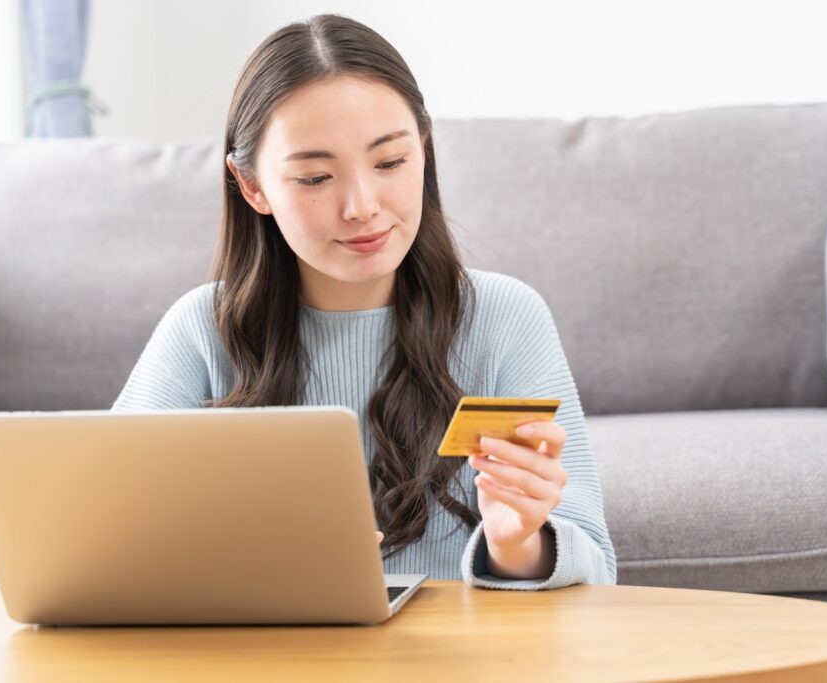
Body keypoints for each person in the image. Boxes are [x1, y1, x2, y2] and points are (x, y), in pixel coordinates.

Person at [113, 13, 616, 590]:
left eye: (390, 163)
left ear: (423, 150)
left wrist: (516, 541)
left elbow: (597, 567)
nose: (362, 206)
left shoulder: (505, 318)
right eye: (315, 178)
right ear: (252, 187)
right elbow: (104, 541)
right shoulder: (202, 331)